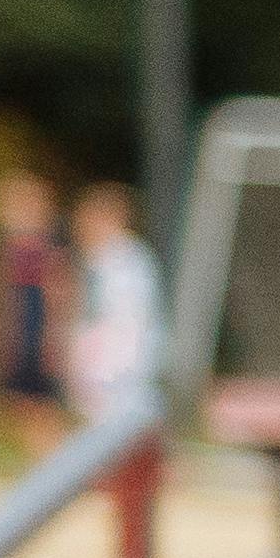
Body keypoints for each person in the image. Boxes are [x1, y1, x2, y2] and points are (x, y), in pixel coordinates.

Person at [62, 183, 165, 430]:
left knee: (116, 426)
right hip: (103, 359)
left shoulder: (126, 261)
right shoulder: (99, 259)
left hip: (119, 362)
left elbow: (128, 318)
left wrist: (109, 361)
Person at [0, 169, 69, 453]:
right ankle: (46, 455)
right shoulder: (11, 249)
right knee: (19, 407)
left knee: (37, 405)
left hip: (33, 334)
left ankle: (54, 455)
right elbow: (4, 300)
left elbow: (56, 295)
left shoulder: (43, 250)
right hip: (20, 334)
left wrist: (52, 337)